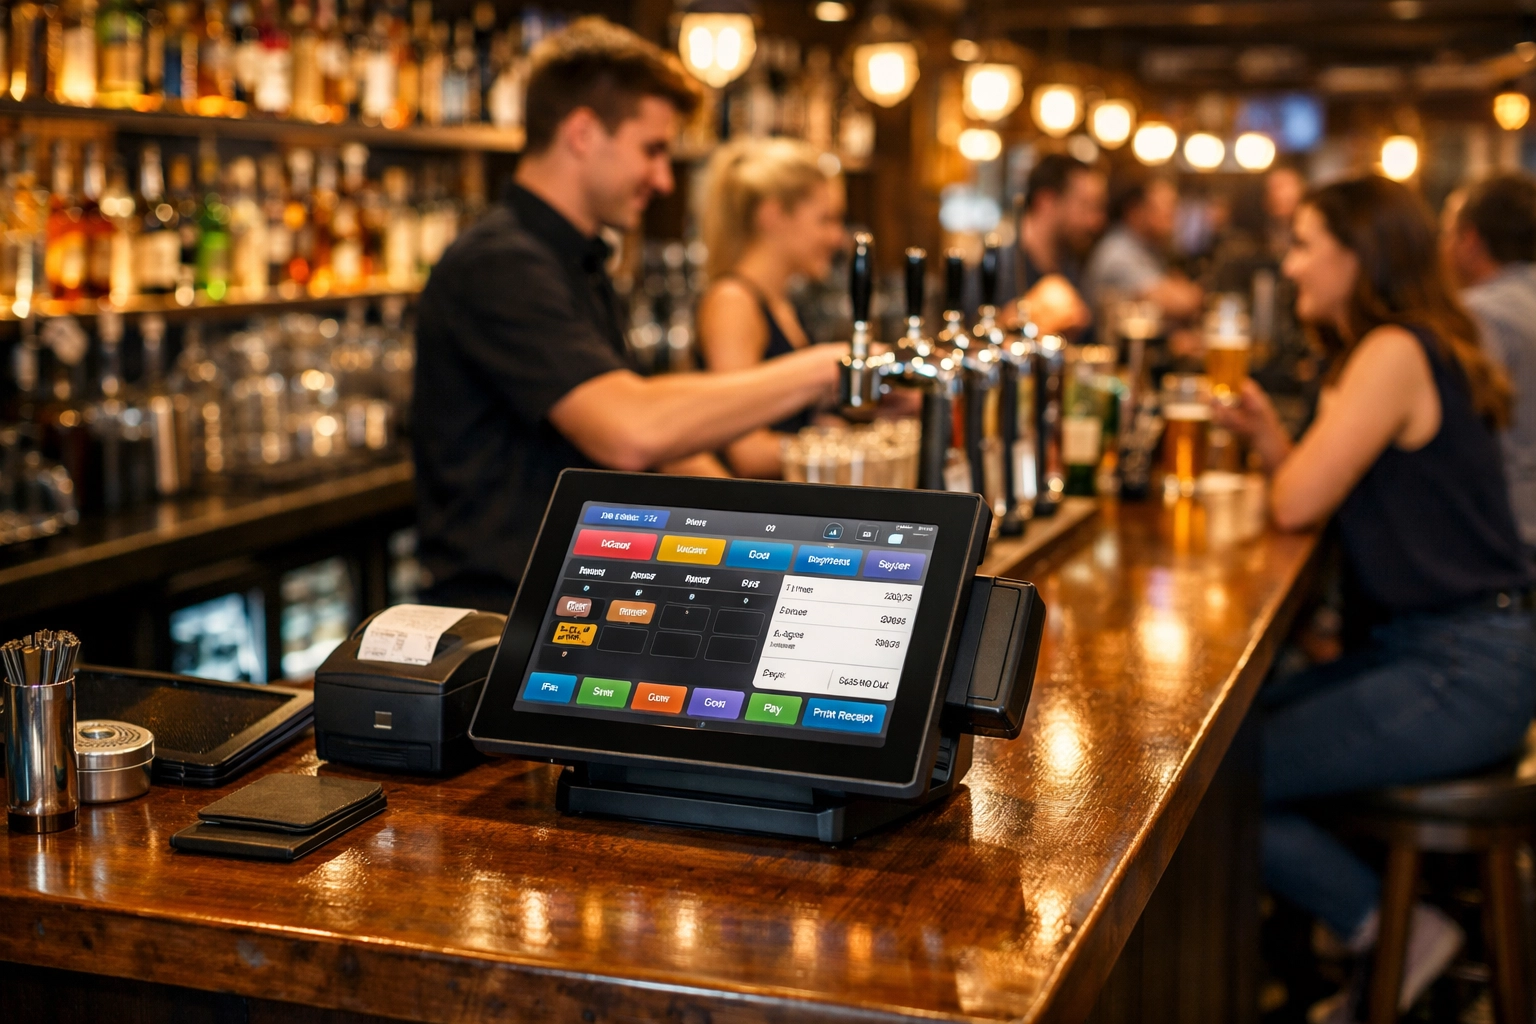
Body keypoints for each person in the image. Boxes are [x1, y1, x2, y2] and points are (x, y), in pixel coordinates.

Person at [1217, 176, 1536, 1018]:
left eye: (1304, 246)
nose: (1290, 268)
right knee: (1237, 731)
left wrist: (1284, 449)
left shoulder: (1392, 350)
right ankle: (1333, 951)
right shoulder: (1413, 342)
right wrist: (1269, 439)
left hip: (1461, 668)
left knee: (1217, 777)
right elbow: (1322, 486)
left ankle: (1387, 929)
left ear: (1359, 256)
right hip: (1455, 651)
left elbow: (1293, 504)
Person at [413, 19, 848, 610]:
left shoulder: (578, 264)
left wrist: (772, 541)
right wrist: (829, 368)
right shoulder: (500, 264)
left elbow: (665, 441)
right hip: (500, 622)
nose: (664, 180)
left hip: (570, 599)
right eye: (653, 149)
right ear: (583, 133)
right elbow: (630, 430)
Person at [695, 138, 847, 478]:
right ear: (773, 215)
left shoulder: (782, 302)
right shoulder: (732, 302)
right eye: (825, 220)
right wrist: (849, 449)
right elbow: (747, 451)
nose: (837, 238)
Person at [1442, 174, 1536, 558]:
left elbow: (1463, 432)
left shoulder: (1479, 316)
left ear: (1470, 239)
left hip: (1510, 533)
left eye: (1446, 231)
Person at [1003, 153, 1105, 339]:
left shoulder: (1069, 264)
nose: (1095, 222)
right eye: (1085, 206)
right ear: (1046, 202)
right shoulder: (1001, 269)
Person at [1082, 175, 1204, 322]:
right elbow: (1178, 304)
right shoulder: (1118, 251)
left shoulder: (1148, 249)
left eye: (1173, 207)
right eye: (1162, 208)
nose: (1171, 218)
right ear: (1135, 212)